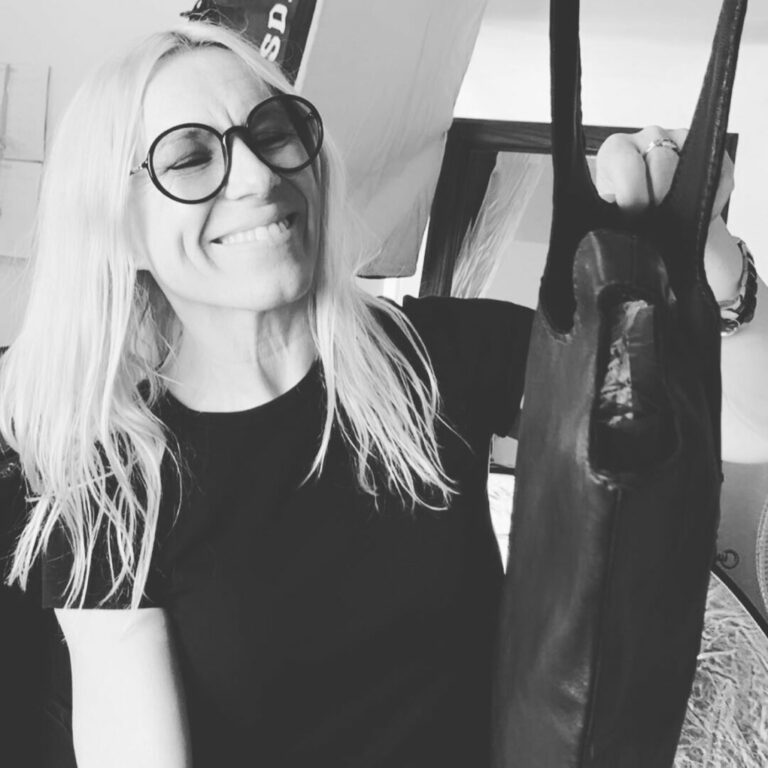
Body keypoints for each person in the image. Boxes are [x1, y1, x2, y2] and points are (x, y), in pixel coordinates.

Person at [0, 18, 765, 768]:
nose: (260, 178)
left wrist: (711, 260)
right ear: (118, 224)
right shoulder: (112, 477)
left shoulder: (434, 356)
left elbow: (738, 427)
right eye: (191, 157)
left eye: (273, 132)